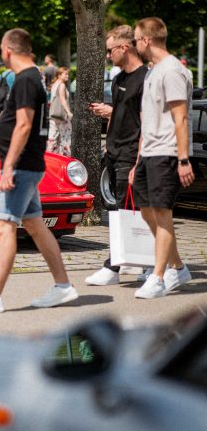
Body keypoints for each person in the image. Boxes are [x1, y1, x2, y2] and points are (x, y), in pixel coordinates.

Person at [0, 28, 77, 314]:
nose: (0, 53)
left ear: (8, 49)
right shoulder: (34, 76)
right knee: (34, 224)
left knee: (4, 225)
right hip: (28, 164)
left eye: (1, 48)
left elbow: (24, 125)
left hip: (21, 166)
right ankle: (63, 287)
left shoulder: (25, 80)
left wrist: (8, 166)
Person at [128, 17, 193, 299]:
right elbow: (148, 120)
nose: (133, 43)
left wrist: (183, 159)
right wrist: (138, 160)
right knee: (146, 210)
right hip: (149, 153)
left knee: (163, 212)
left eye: (135, 38)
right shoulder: (153, 71)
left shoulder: (172, 71)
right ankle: (177, 267)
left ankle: (158, 276)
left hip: (167, 153)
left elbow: (180, 118)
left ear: (146, 40)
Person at [85, 25, 148, 286]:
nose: (108, 56)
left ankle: (114, 266)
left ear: (124, 48)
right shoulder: (119, 79)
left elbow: (147, 123)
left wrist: (139, 161)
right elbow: (125, 114)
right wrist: (109, 115)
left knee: (128, 210)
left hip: (131, 154)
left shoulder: (146, 79)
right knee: (124, 210)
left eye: (110, 50)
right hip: (114, 152)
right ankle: (145, 261)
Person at [46, 66, 73, 156]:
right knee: (66, 136)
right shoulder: (61, 85)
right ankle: (66, 155)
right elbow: (62, 100)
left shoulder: (55, 85)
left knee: (53, 137)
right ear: (59, 75)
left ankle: (51, 155)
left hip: (53, 115)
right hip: (61, 115)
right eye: (65, 74)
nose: (67, 76)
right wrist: (68, 112)